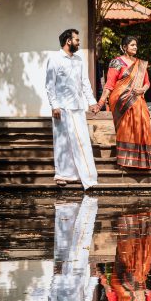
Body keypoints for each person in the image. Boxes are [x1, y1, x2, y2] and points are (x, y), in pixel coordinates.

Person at [45, 29, 100, 189]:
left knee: (81, 140)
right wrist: (54, 105)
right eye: (76, 39)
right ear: (68, 41)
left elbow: (85, 83)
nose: (79, 42)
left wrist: (92, 102)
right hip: (61, 108)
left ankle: (81, 174)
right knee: (62, 142)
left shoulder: (78, 60)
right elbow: (49, 85)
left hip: (77, 107)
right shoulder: (54, 59)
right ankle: (61, 174)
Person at [97, 36, 151, 171]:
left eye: (136, 45)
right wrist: (100, 103)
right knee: (126, 129)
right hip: (121, 101)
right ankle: (125, 161)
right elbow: (109, 85)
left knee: (143, 123)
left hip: (138, 99)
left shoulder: (141, 64)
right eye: (132, 45)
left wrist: (143, 89)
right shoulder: (116, 63)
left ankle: (141, 161)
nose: (135, 47)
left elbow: (147, 82)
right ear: (124, 47)